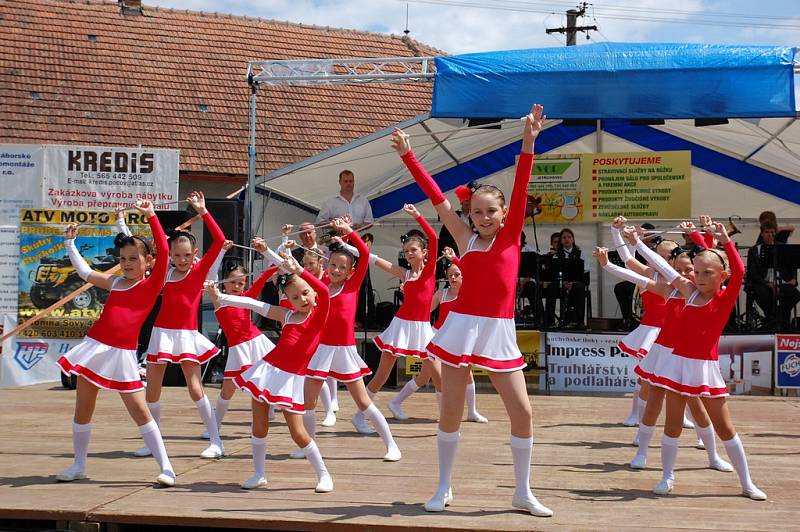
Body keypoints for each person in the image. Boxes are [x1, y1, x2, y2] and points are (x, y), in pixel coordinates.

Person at [391, 104, 552, 517]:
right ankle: (443, 486)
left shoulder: (511, 235)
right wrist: (409, 156)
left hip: (498, 329)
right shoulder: (464, 237)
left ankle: (522, 491)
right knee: (449, 410)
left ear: (503, 213)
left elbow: (522, 183)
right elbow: (436, 198)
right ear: (469, 215)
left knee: (522, 410)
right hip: (461, 327)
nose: (483, 217)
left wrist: (528, 142)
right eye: (476, 212)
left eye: (491, 211)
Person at [626, 222, 765, 500]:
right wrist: (637, 244)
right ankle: (667, 477)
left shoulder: (723, 299)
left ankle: (747, 482)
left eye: (706, 273)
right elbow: (662, 266)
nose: (699, 278)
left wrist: (725, 239)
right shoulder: (688, 292)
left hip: (704, 368)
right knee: (673, 425)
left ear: (721, 276)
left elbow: (739, 270)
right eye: (697, 272)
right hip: (677, 366)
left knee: (725, 427)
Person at [56, 200, 175, 486]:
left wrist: (151, 217)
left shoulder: (151, 284)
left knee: (139, 409)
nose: (126, 264)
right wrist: (70, 243)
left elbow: (165, 249)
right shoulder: (116, 283)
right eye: (123, 258)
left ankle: (167, 467)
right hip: (95, 347)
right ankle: (79, 465)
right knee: (83, 406)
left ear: (148, 263)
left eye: (133, 258)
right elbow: (85, 273)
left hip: (122, 354)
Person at [212, 251, 334, 492]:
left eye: (306, 293)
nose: (303, 299)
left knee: (297, 432)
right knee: (258, 426)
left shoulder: (318, 316)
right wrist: (221, 297)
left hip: (290, 380)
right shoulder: (287, 315)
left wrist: (299, 270)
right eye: (296, 297)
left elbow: (326, 292)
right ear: (288, 299)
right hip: (266, 371)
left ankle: (324, 474)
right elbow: (254, 304)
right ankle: (259, 474)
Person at [288, 218, 401, 461]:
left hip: (345, 350)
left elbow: (363, 251)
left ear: (351, 271)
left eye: (342, 267)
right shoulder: (323, 284)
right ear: (326, 265)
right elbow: (299, 272)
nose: (336, 270)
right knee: (308, 402)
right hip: (321, 350)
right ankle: (308, 446)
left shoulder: (353, 285)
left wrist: (349, 232)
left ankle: (391, 444)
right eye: (333, 265)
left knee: (362, 401)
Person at [137, 191, 225, 459]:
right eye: (177, 255)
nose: (182, 259)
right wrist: (152, 215)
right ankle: (153, 442)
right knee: (151, 390)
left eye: (187, 255)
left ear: (195, 254)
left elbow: (220, 241)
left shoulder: (198, 271)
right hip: (162, 334)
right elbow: (161, 249)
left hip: (186, 335)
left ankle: (216, 440)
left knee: (195, 387)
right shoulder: (165, 271)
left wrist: (203, 212)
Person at [368, 204, 440, 421]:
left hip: (422, 329)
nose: (409, 254)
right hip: (401, 326)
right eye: (406, 251)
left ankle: (447, 417)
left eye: (413, 250)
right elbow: (376, 260)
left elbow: (434, 239)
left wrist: (418, 216)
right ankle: (362, 413)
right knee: (381, 375)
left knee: (438, 377)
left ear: (424, 252)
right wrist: (349, 241)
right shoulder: (404, 273)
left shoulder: (429, 271)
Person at [202, 245, 277, 440]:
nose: (237, 286)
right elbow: (210, 277)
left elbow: (263, 278)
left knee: (263, 382)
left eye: (241, 283)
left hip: (256, 343)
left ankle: (267, 413)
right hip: (238, 350)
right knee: (227, 391)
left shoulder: (247, 297)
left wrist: (275, 258)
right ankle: (214, 426)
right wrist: (220, 251)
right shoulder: (219, 299)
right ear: (224, 283)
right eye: (233, 282)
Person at [429, 248, 487, 423]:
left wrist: (454, 258)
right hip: (438, 337)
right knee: (438, 378)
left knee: (467, 373)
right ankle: (444, 415)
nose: (453, 278)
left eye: (456, 274)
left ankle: (472, 412)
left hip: (460, 338)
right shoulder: (441, 294)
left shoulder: (468, 292)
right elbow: (424, 312)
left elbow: (472, 274)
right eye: (450, 275)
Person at [747, 221, 800, 330]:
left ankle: (782, 319)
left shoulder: (782, 247)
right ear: (761, 233)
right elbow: (753, 273)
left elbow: (792, 265)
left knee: (794, 294)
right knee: (764, 295)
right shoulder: (754, 250)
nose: (770, 235)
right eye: (767, 232)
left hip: (781, 282)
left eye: (772, 232)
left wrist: (794, 279)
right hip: (763, 283)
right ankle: (771, 320)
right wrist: (767, 283)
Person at [544, 228, 586, 328]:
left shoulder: (580, 253)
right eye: (564, 238)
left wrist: (573, 282)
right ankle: (550, 321)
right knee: (551, 287)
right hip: (561, 283)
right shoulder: (556, 255)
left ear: (573, 239)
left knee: (579, 287)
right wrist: (563, 282)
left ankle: (577, 321)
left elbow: (585, 271)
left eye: (569, 237)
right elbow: (554, 273)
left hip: (576, 282)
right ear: (561, 241)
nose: (566, 239)